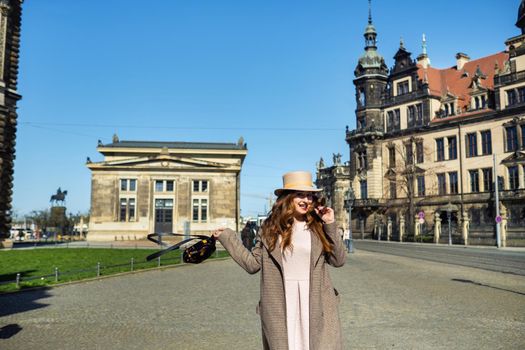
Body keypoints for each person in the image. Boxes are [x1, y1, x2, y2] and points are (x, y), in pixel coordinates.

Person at [213, 171, 346, 350]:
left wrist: (330, 223)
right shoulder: (270, 229)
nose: (306, 200)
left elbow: (338, 260)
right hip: (280, 301)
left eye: (309, 195)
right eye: (300, 194)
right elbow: (252, 265)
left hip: (316, 301)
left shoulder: (318, 226)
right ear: (287, 197)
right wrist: (227, 237)